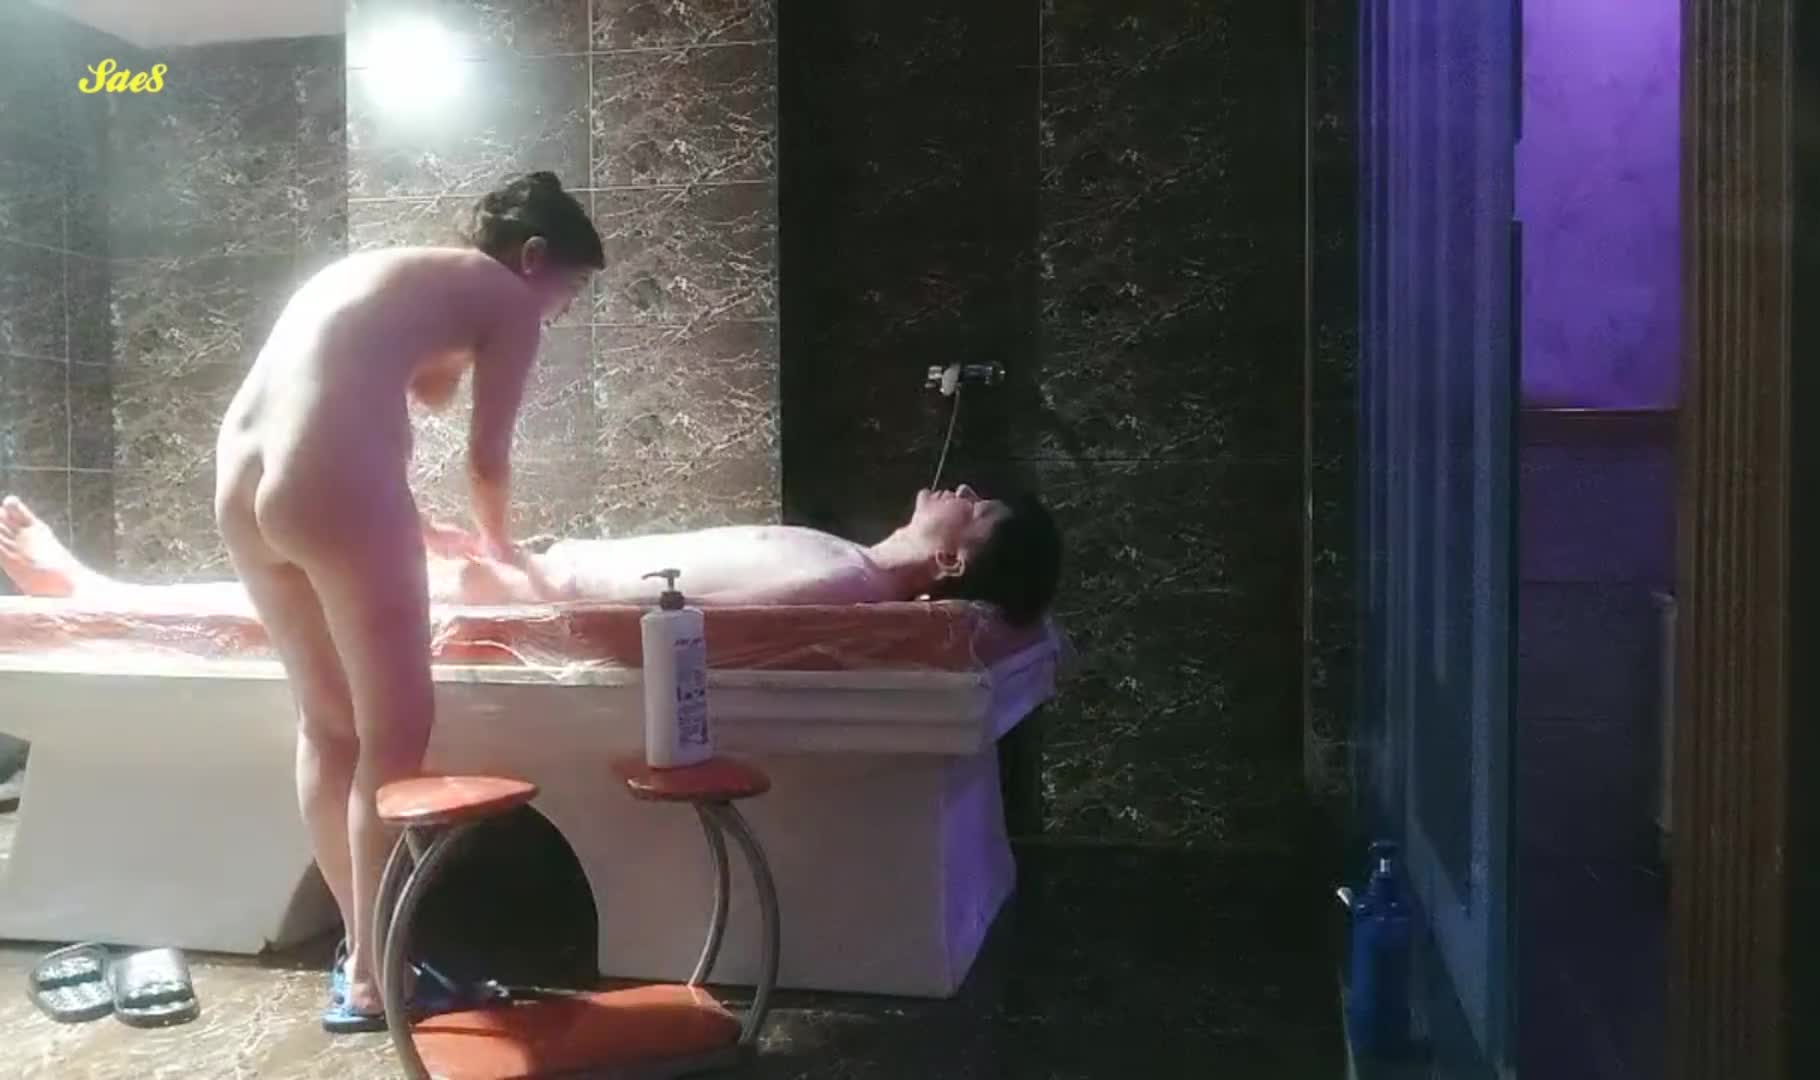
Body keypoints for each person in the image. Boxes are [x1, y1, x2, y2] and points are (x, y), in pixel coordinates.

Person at [208, 171, 603, 1031]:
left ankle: (363, 953)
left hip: (239, 481)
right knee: (394, 738)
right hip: (330, 486)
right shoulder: (506, 296)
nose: (560, 313)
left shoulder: (390, 273)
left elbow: (338, 406)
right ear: (534, 258)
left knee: (329, 728)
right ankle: (376, 976)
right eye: (570, 291)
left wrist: (416, 528)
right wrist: (501, 548)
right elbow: (485, 458)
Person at [0, 484, 1062, 628]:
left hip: (520, 596)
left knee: (298, 601)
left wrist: (514, 579)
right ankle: (96, 590)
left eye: (977, 512)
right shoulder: (846, 559)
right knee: (304, 588)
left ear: (954, 565)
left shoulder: (840, 581)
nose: (963, 491)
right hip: (522, 573)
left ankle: (92, 595)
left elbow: (674, 613)